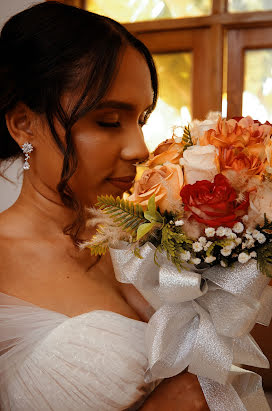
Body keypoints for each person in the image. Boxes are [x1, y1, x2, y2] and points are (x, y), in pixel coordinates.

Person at [0, 2, 209, 410]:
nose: (139, 148)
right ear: (24, 124)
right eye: (109, 121)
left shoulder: (155, 237)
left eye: (141, 120)